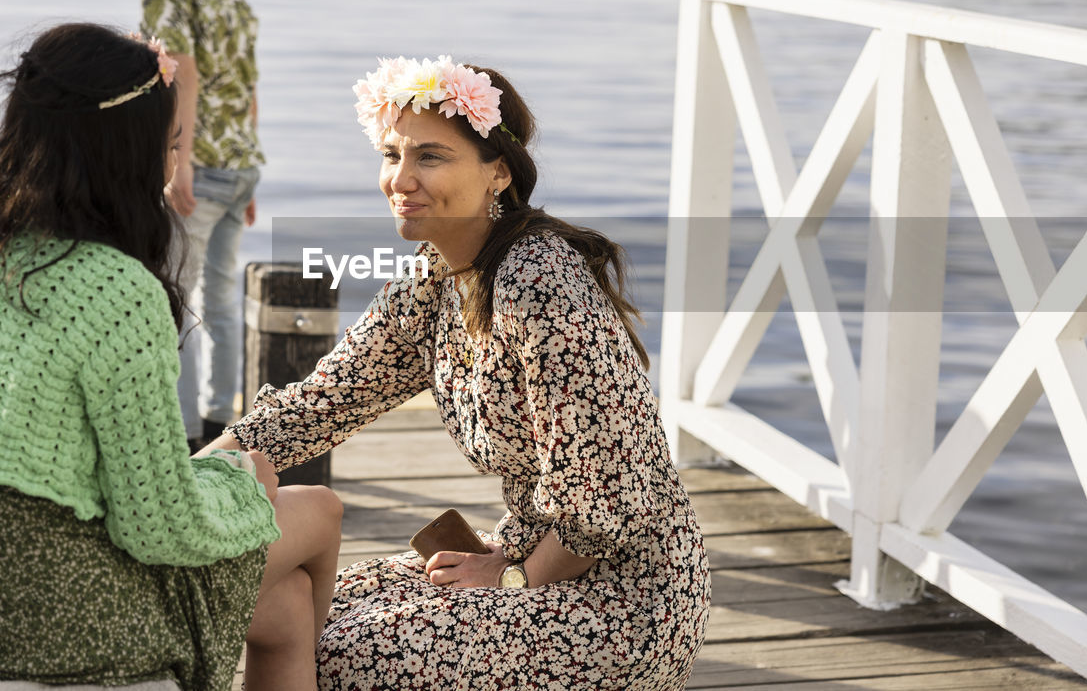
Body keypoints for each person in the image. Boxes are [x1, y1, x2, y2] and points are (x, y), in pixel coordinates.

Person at [202, 56, 711, 690]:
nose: (401, 180)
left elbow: (604, 503)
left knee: (343, 656)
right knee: (298, 601)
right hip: (523, 551)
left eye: (431, 158)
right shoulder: (434, 274)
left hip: (620, 598)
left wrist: (511, 578)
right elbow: (324, 403)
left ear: (498, 172)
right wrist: (197, 476)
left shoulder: (540, 283)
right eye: (392, 155)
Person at [0, 24, 342, 691]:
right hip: (72, 620)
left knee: (286, 603)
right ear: (127, 152)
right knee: (318, 507)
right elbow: (157, 529)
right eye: (174, 145)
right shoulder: (114, 291)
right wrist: (246, 495)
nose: (177, 166)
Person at [140, 0, 265, 452]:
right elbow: (246, 87)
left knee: (173, 303)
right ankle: (222, 430)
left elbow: (180, 78)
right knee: (219, 301)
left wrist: (178, 163)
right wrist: (248, 174)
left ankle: (184, 440)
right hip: (239, 163)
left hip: (200, 166)